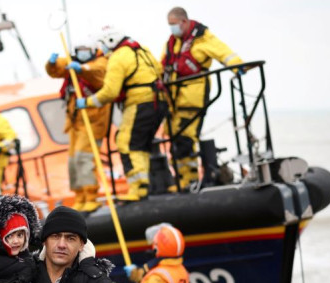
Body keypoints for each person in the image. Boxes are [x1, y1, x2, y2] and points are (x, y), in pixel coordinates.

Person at [76, 26, 167, 202]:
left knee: (126, 143)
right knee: (141, 144)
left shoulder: (118, 58)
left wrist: (87, 102)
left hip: (139, 103)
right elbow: (159, 70)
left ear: (109, 41)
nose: (102, 49)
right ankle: (146, 184)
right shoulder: (142, 49)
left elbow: (110, 92)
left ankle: (138, 188)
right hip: (158, 101)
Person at [162, 7, 243, 190]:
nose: (171, 28)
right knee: (176, 138)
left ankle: (189, 182)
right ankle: (184, 181)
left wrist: (238, 66)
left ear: (183, 21)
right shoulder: (173, 42)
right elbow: (164, 64)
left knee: (186, 138)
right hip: (175, 99)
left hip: (194, 97)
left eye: (173, 24)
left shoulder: (203, 38)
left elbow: (223, 52)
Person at [45, 39, 112, 212]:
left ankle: (91, 196)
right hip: (76, 122)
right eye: (79, 50)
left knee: (85, 158)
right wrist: (51, 63)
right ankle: (80, 196)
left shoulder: (99, 63)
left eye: (85, 50)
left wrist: (81, 69)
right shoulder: (72, 63)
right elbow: (58, 68)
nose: (82, 53)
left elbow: (96, 73)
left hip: (93, 120)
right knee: (74, 161)